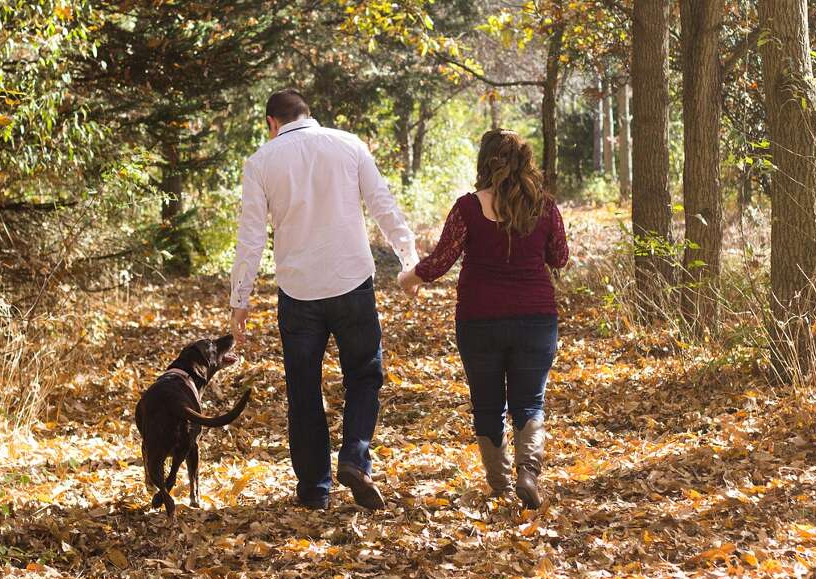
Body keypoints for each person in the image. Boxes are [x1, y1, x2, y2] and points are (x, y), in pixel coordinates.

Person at [230, 89, 419, 511]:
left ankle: (315, 490)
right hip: (351, 283)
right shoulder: (348, 144)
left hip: (298, 294)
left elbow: (251, 236)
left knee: (303, 390)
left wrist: (239, 298)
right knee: (365, 376)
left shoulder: (260, 162)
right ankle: (355, 455)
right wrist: (410, 260)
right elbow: (383, 206)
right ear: (307, 114)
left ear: (270, 122)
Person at [398, 129, 568, 509]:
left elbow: (442, 259)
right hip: (536, 319)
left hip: (480, 319)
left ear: (484, 162)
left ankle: (500, 485)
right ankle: (528, 472)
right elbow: (559, 257)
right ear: (525, 161)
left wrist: (410, 277)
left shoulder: (468, 207)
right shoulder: (544, 206)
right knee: (530, 402)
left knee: (488, 404)